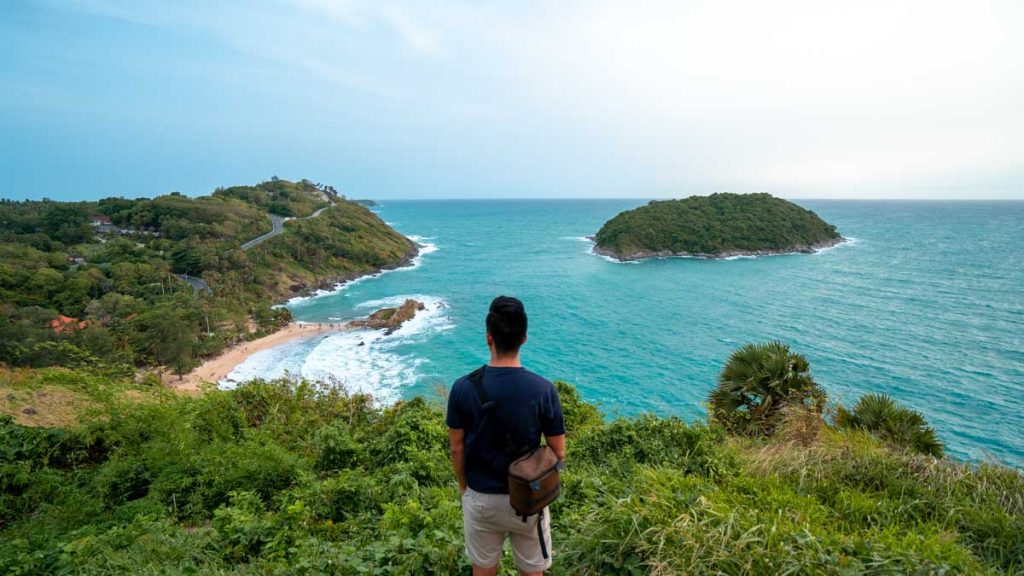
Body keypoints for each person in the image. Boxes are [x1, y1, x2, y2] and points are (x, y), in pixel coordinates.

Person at [446, 296, 566, 576]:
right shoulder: (543, 389)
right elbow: (558, 453)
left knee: (483, 570)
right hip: (528, 497)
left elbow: (456, 449)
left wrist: (465, 487)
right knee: (532, 571)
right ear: (524, 338)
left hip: (481, 497)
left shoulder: (462, 388)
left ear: (489, 338)